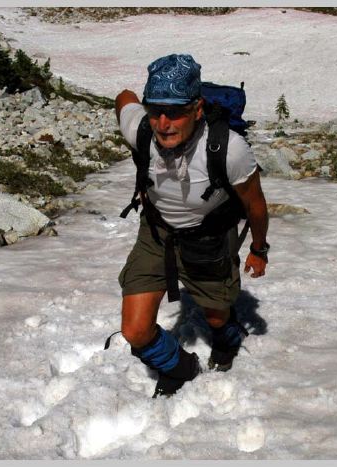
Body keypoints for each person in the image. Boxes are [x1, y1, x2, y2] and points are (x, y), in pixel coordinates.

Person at [114, 54, 269, 398]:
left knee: (217, 319)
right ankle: (181, 368)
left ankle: (227, 339)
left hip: (209, 239)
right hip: (155, 235)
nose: (163, 122)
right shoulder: (141, 128)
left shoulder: (229, 149)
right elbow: (124, 98)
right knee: (135, 330)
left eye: (176, 111)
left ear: (198, 109)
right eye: (155, 110)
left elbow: (255, 204)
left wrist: (259, 249)